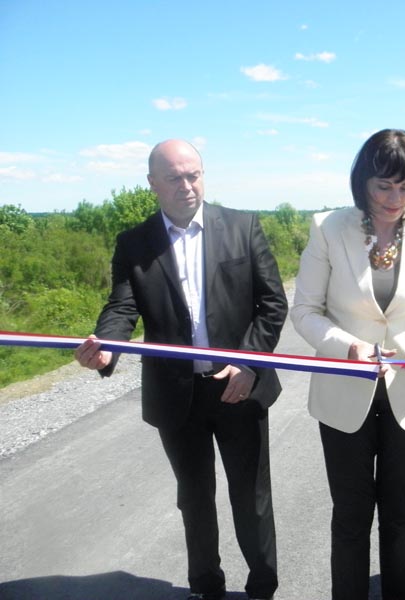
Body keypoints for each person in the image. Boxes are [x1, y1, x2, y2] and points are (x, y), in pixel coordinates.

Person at [74, 139, 288, 600]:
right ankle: (206, 587)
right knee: (194, 499)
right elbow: (121, 307)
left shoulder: (243, 227)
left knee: (251, 498)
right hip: (177, 395)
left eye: (194, 175)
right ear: (153, 183)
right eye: (174, 178)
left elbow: (272, 304)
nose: (187, 186)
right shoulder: (135, 243)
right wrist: (106, 347)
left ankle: (262, 588)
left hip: (239, 386)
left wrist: (247, 363)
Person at [290, 128, 405, 600]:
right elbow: (305, 311)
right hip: (344, 392)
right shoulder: (328, 228)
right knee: (350, 515)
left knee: (400, 514)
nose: (394, 199)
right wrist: (346, 346)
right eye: (384, 186)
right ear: (362, 181)